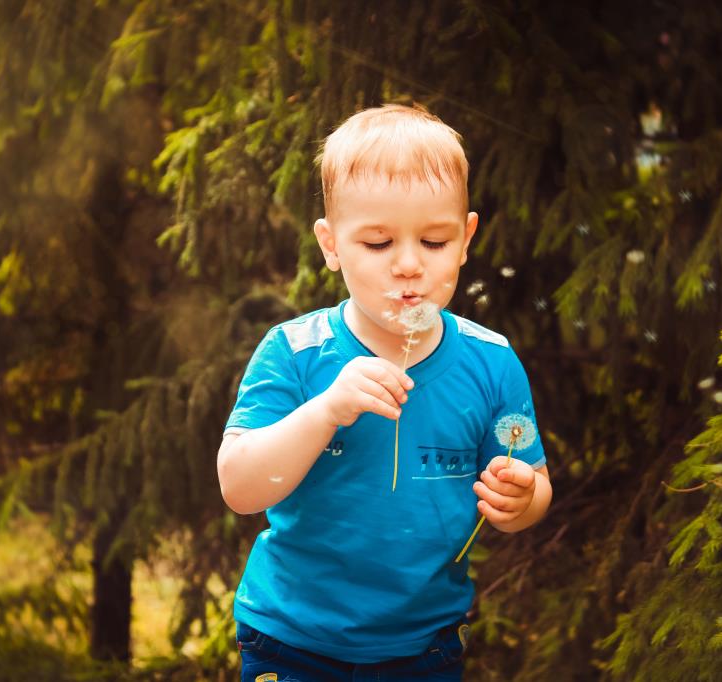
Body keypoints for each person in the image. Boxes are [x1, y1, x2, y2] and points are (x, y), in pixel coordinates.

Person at [217, 103, 553, 681]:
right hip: (291, 640)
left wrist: (522, 500)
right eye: (377, 243)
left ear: (466, 238)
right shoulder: (296, 353)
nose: (407, 265)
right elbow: (240, 488)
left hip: (423, 650)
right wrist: (324, 411)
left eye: (433, 241)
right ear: (331, 245)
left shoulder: (491, 363)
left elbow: (530, 484)